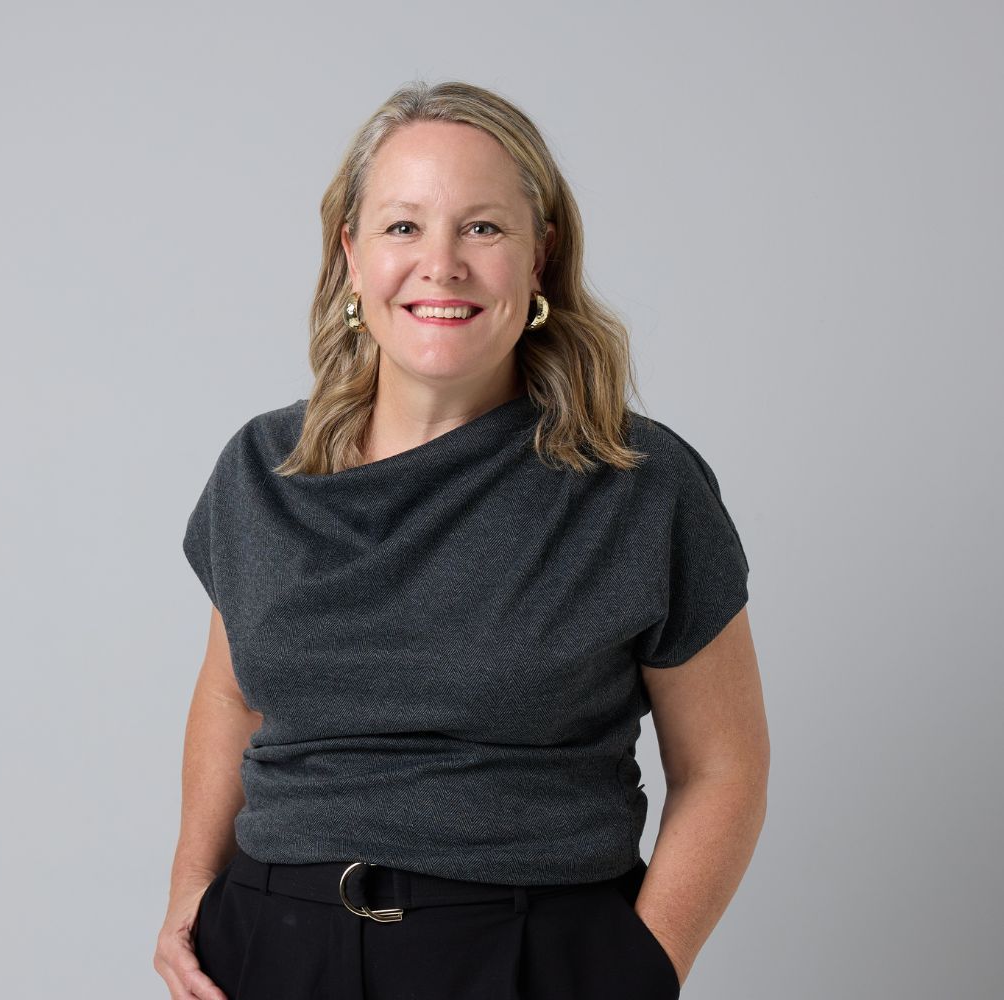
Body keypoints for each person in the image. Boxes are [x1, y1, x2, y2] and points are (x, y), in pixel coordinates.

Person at [153, 80, 769, 1000]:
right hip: (268, 949)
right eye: (403, 228)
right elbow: (233, 694)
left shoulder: (640, 485)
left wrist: (643, 968)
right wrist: (189, 895)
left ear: (540, 257)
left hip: (527, 955)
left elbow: (723, 763)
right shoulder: (260, 470)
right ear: (350, 255)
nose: (440, 264)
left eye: (482, 228)